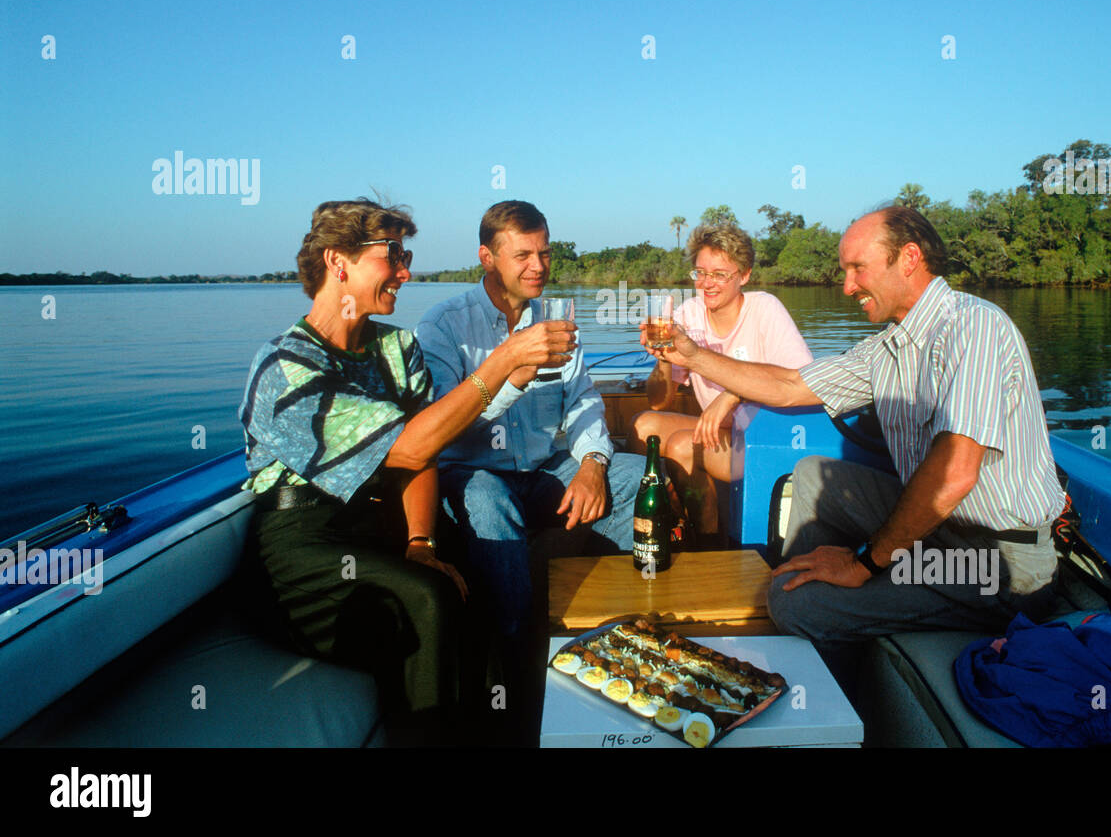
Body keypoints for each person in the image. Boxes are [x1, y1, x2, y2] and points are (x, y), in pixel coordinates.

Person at [644, 206, 1065, 661]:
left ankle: (814, 650)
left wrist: (863, 564)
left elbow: (954, 475)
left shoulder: (973, 327)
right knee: (811, 473)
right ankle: (799, 575)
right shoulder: (888, 348)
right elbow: (789, 386)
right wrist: (690, 354)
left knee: (794, 603)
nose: (846, 287)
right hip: (940, 531)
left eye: (857, 268)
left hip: (997, 562)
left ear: (908, 258)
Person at [238, 198, 572, 741]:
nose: (405, 272)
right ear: (338, 262)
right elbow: (410, 446)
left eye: (405, 254)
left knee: (477, 578)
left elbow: (425, 455)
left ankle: (512, 728)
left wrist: (422, 540)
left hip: (383, 525)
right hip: (304, 544)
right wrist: (504, 362)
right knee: (424, 598)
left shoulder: (397, 349)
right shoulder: (285, 367)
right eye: (391, 255)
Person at [415, 200, 640, 645]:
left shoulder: (555, 319)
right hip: (471, 472)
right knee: (485, 496)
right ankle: (517, 645)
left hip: (540, 471)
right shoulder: (444, 326)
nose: (538, 266)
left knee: (635, 476)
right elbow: (439, 426)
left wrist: (594, 463)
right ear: (487, 257)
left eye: (545, 253)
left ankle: (622, 620)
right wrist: (511, 373)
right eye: (523, 255)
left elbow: (583, 399)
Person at [629, 224, 812, 543]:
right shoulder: (688, 314)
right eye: (700, 273)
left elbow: (805, 380)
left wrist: (732, 394)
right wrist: (663, 356)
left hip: (766, 434)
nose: (706, 284)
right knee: (642, 427)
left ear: (744, 275)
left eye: (719, 274)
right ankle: (678, 519)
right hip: (718, 432)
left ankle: (711, 546)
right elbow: (659, 403)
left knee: (684, 446)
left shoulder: (765, 309)